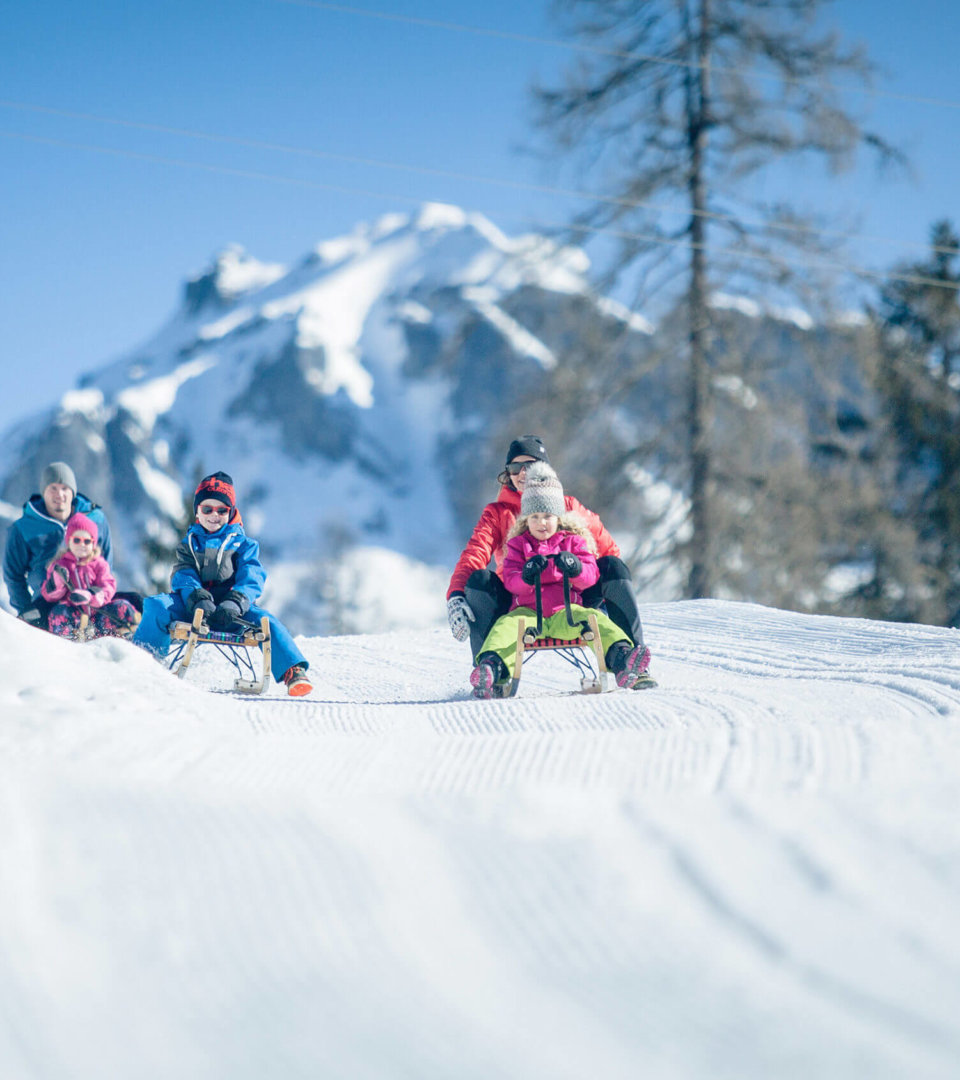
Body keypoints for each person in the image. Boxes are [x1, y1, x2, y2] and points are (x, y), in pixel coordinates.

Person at [447, 434, 646, 662]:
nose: (522, 473)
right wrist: (456, 594)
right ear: (507, 473)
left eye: (529, 465)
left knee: (613, 566)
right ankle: (487, 671)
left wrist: (587, 579)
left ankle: (632, 659)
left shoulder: (568, 506)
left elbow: (608, 550)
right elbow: (475, 554)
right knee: (480, 580)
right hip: (521, 599)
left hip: (572, 598)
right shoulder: (498, 513)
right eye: (515, 467)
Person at [469, 463, 652, 698]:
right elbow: (510, 581)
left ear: (558, 517)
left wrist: (575, 568)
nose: (541, 523)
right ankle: (491, 669)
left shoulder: (573, 542)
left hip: (566, 613)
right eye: (534, 517)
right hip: (526, 615)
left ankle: (622, 659)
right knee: (503, 628)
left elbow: (590, 576)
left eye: (547, 516)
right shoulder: (518, 545)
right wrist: (526, 576)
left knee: (596, 620)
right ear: (526, 519)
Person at [132, 471, 313, 697]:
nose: (214, 515)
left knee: (267, 622)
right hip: (194, 608)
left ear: (231, 511)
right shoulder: (189, 543)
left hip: (233, 613)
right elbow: (183, 573)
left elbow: (252, 575)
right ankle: (141, 660)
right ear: (197, 511)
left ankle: (292, 670)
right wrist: (196, 597)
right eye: (207, 509)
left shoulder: (244, 545)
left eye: (222, 510)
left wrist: (236, 602)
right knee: (157, 606)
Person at [3, 461, 114, 628]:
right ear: (43, 491)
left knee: (134, 604)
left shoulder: (95, 519)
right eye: (52, 488)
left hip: (92, 600)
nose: (59, 494)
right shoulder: (24, 528)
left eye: (64, 488)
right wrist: (26, 609)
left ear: (73, 492)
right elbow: (13, 575)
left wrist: (99, 594)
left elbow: (105, 560)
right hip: (48, 604)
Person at [40, 512, 139, 639]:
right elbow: (48, 596)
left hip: (99, 613)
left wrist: (91, 595)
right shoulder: (59, 565)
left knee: (121, 606)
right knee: (58, 613)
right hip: (74, 614)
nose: (82, 545)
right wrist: (57, 584)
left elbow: (108, 587)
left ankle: (126, 635)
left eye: (87, 541)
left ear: (93, 544)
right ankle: (67, 642)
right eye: (77, 540)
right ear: (69, 541)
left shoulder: (99, 564)